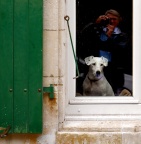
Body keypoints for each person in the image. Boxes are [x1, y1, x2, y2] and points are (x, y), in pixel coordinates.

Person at [76, 9, 131, 95]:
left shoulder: (123, 35)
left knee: (112, 94)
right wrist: (95, 24)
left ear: (120, 20)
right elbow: (82, 36)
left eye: (114, 19)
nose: (111, 21)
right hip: (95, 70)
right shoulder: (97, 31)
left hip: (114, 71)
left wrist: (109, 37)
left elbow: (120, 50)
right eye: (109, 19)